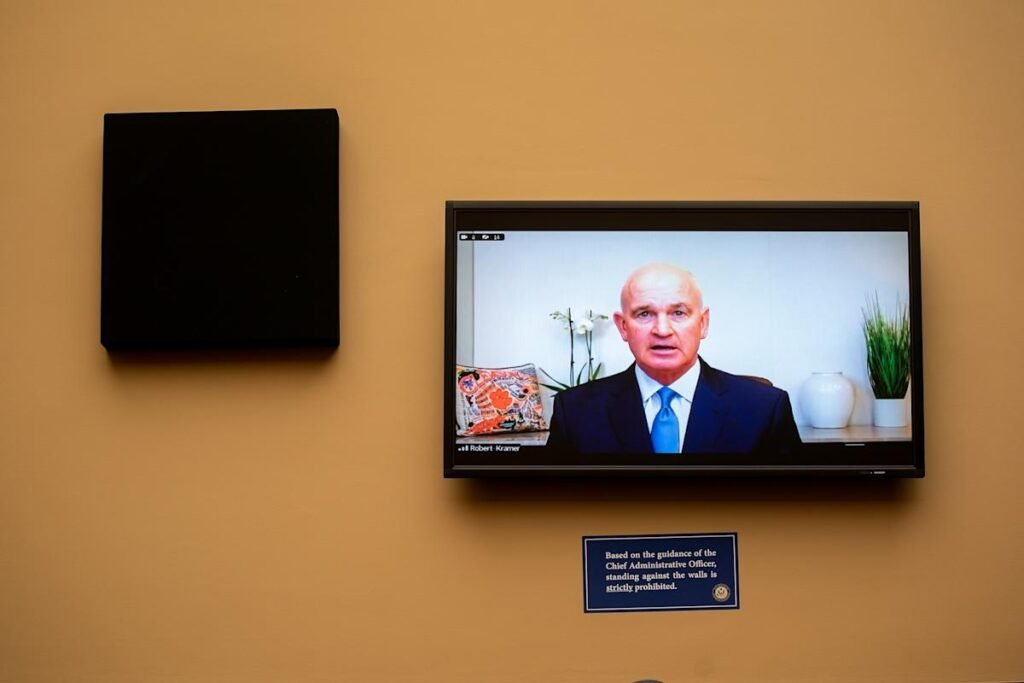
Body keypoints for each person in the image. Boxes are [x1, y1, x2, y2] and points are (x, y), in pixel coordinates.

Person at [546, 263, 801, 455]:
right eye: (644, 314)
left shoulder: (765, 408)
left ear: (703, 323)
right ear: (623, 327)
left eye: (678, 313)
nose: (662, 330)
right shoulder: (575, 410)